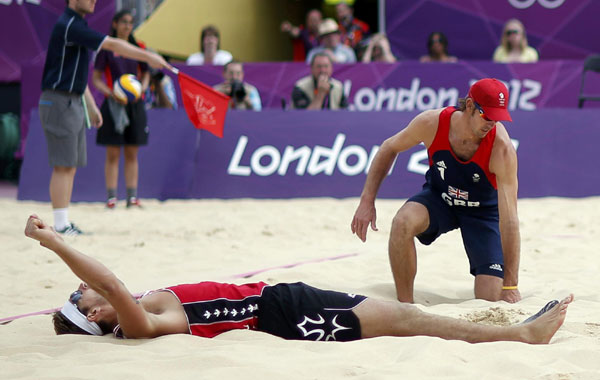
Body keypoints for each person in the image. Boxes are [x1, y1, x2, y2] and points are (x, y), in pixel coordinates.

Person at [24, 214, 572, 344]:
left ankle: (511, 331)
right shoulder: (141, 323)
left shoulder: (142, 307)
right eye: (81, 296)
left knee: (404, 318)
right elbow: (112, 283)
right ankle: (518, 335)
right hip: (282, 317)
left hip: (280, 301)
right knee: (403, 320)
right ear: (96, 314)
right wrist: (53, 242)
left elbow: (115, 285)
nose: (85, 289)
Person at [351, 78, 522, 304]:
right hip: (441, 198)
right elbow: (389, 147)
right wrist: (367, 201)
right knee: (402, 222)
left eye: (497, 118)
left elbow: (509, 220)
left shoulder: (502, 148)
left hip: (482, 212)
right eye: (487, 115)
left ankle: (495, 283)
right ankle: (406, 306)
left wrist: (511, 285)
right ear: (469, 105)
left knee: (489, 298)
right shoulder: (432, 123)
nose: (492, 123)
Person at [38, 0, 169, 235]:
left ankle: (63, 223)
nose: (93, 1)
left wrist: (90, 105)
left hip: (72, 100)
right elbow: (111, 44)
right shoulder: (69, 24)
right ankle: (60, 225)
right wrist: (148, 57)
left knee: (70, 166)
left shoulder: (77, 25)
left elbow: (75, 74)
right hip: (58, 101)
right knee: (63, 165)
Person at [92, 10, 149, 209]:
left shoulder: (138, 46)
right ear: (115, 24)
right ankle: (111, 198)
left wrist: (141, 88)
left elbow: (147, 73)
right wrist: (110, 93)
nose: (127, 26)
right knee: (113, 153)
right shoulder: (107, 47)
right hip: (114, 103)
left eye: (131, 22)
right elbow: (96, 79)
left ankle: (132, 198)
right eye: (124, 22)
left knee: (132, 152)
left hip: (135, 103)